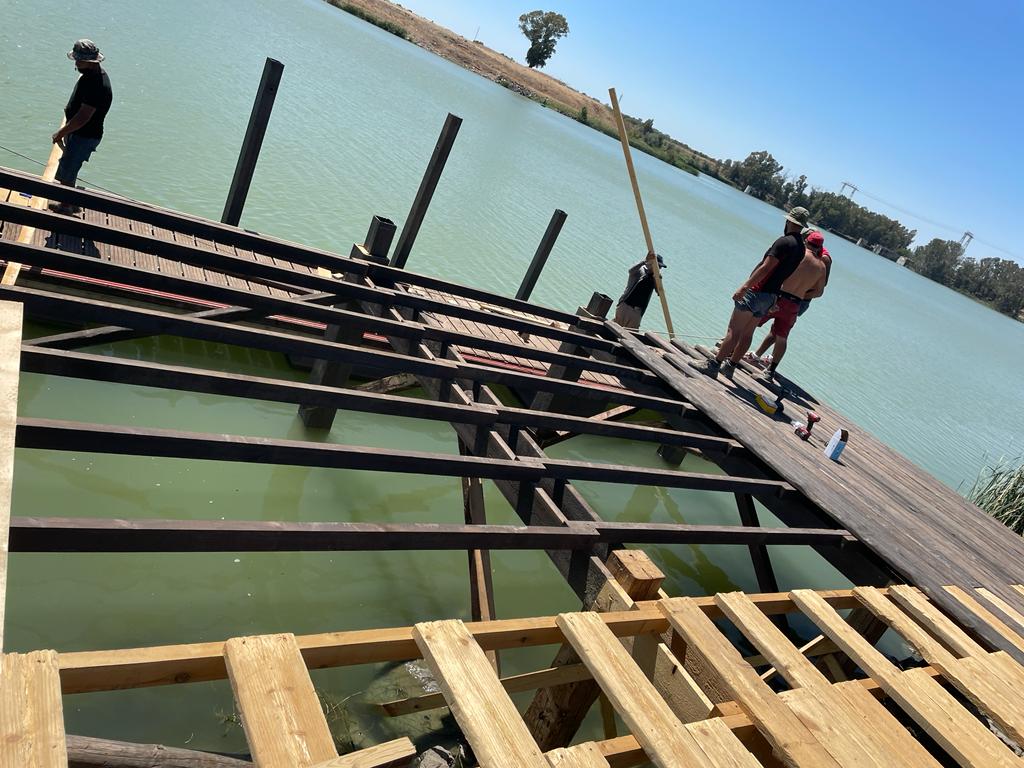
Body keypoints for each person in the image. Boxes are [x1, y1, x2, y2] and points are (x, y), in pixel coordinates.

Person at [695, 206, 809, 379]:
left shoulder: (784, 242)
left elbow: (766, 267)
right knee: (748, 334)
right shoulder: (801, 248)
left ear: (789, 221)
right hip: (771, 295)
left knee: (734, 331)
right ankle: (731, 366)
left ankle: (714, 364)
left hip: (756, 291)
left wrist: (745, 286)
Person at [749, 231, 830, 381]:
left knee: (751, 322)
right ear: (820, 247)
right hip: (794, 303)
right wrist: (802, 293)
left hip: (778, 297)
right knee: (782, 337)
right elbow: (818, 292)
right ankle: (770, 371)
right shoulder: (821, 266)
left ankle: (731, 350)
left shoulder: (799, 254)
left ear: (806, 241)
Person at [49, 39, 112, 215]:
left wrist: (61, 132)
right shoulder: (91, 75)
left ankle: (66, 207)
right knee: (70, 167)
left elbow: (83, 117)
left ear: (91, 62)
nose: (76, 63)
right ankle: (71, 201)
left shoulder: (96, 84)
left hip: (84, 135)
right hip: (79, 132)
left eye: (79, 60)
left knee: (68, 168)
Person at [613, 254, 666, 329]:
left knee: (630, 335)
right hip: (625, 306)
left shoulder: (655, 278)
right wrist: (644, 261)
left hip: (637, 312)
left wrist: (658, 281)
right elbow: (630, 271)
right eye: (658, 266)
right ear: (651, 263)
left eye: (660, 267)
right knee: (614, 329)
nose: (659, 269)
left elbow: (660, 293)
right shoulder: (641, 270)